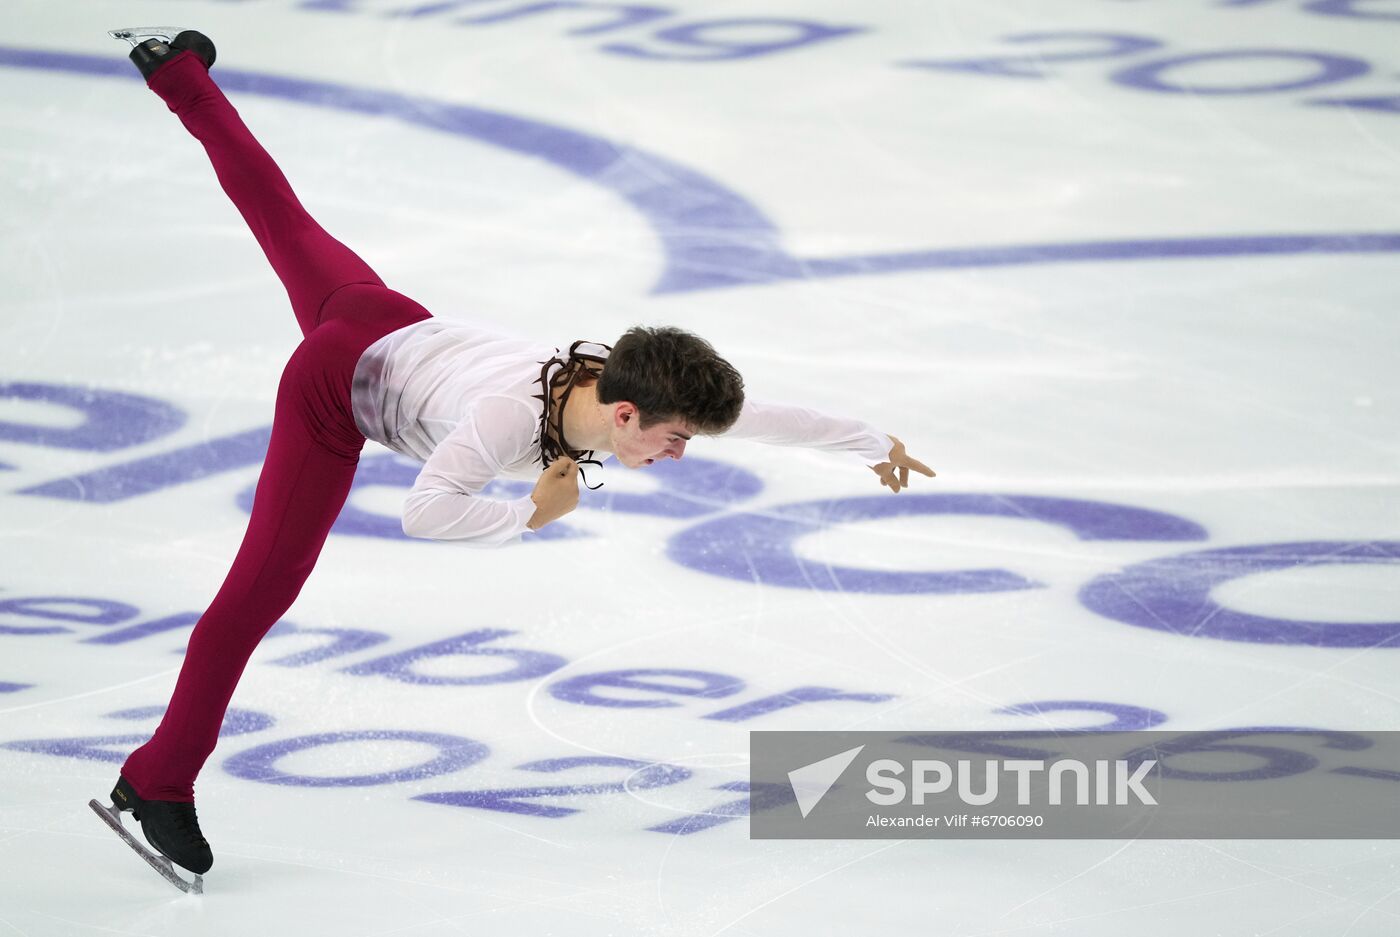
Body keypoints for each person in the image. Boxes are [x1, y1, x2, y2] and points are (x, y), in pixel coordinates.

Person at [98, 28, 935, 883]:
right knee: (256, 593)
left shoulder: (634, 386)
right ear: (624, 410)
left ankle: (176, 70)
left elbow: (761, 417)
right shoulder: (506, 419)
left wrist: (875, 443)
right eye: (674, 438)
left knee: (277, 210)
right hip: (336, 386)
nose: (681, 453)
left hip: (385, 313)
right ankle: (158, 775)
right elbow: (423, 512)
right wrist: (531, 514)